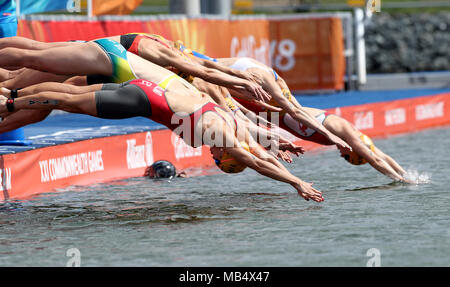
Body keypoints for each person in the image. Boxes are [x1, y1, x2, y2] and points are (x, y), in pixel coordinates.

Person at [0, 63, 324, 202]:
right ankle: (10, 102)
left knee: (67, 93)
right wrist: (297, 182)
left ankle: (11, 91)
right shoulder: (226, 140)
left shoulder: (233, 127)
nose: (212, 156)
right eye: (219, 160)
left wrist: (275, 143)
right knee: (66, 100)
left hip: (146, 86)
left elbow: (257, 145)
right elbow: (258, 162)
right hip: (140, 101)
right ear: (227, 156)